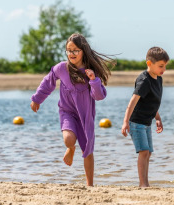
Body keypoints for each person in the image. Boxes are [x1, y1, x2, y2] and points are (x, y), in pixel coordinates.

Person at [30, 33, 114, 186]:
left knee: (87, 150)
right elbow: (48, 82)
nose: (72, 54)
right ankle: (71, 148)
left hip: (85, 116)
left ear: (83, 51)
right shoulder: (62, 68)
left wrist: (93, 80)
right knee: (69, 140)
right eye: (69, 50)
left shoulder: (90, 72)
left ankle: (90, 184)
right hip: (67, 111)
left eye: (75, 50)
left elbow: (99, 96)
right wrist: (37, 98)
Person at [121, 47, 169, 187]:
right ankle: (143, 184)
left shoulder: (158, 79)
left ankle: (145, 183)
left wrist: (158, 118)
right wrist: (125, 122)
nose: (163, 69)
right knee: (144, 152)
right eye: (161, 66)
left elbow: (152, 102)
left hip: (147, 122)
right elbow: (132, 102)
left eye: (165, 66)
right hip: (136, 122)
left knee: (148, 153)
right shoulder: (144, 81)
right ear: (149, 63)